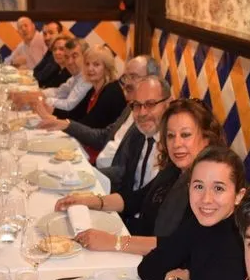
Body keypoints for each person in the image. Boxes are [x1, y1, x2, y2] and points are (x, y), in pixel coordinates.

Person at [56, 97, 225, 253]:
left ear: (207, 137)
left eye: (186, 135)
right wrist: (90, 200)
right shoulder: (174, 170)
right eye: (171, 136)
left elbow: (178, 245)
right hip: (141, 251)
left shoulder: (208, 188)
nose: (177, 143)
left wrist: (115, 242)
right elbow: (136, 200)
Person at [137, 146, 247, 280]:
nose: (206, 199)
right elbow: (148, 267)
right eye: (198, 186)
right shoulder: (198, 222)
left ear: (238, 196)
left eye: (218, 188)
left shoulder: (236, 247)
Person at [38, 55, 159, 155]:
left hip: (100, 157)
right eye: (126, 77)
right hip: (101, 157)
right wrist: (64, 123)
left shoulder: (112, 92)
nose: (127, 83)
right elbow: (103, 135)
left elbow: (97, 133)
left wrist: (60, 120)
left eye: (133, 77)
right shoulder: (130, 106)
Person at [33, 44, 126, 153]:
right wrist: (53, 111)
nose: (90, 69)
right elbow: (76, 114)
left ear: (106, 68)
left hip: (102, 152)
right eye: (87, 64)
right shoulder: (94, 89)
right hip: (89, 145)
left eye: (96, 65)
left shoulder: (111, 91)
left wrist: (56, 120)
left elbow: (88, 125)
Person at [100, 75, 171, 195]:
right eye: (137, 105)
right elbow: (122, 174)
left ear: (168, 104)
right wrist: (89, 174)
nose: (142, 113)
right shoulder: (136, 133)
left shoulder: (175, 145)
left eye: (150, 104)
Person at [11, 37, 91, 115]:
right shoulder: (75, 77)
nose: (69, 62)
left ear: (86, 57)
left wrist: (37, 99)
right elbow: (58, 92)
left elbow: (68, 105)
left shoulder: (87, 79)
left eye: (74, 56)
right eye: (66, 57)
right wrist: (32, 94)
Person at [33, 21, 70, 88]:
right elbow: (36, 71)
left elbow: (41, 78)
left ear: (61, 34)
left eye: (51, 33)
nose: (47, 37)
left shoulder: (61, 59)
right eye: (44, 34)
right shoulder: (50, 51)